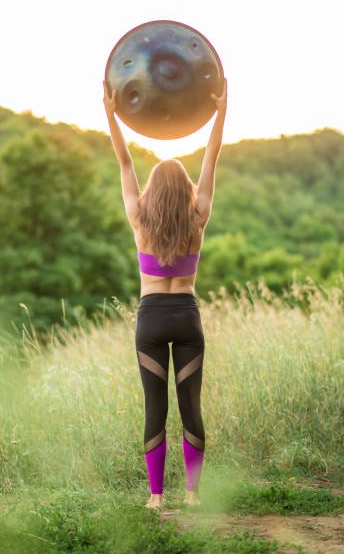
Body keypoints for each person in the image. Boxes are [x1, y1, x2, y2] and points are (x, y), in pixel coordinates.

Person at [103, 78, 227, 511]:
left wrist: (111, 112)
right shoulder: (198, 216)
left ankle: (156, 498)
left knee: (154, 406)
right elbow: (213, 156)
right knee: (190, 406)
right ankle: (192, 495)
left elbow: (122, 161)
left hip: (151, 319)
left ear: (154, 189)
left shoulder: (139, 215)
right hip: (186, 317)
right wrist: (220, 111)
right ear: (187, 188)